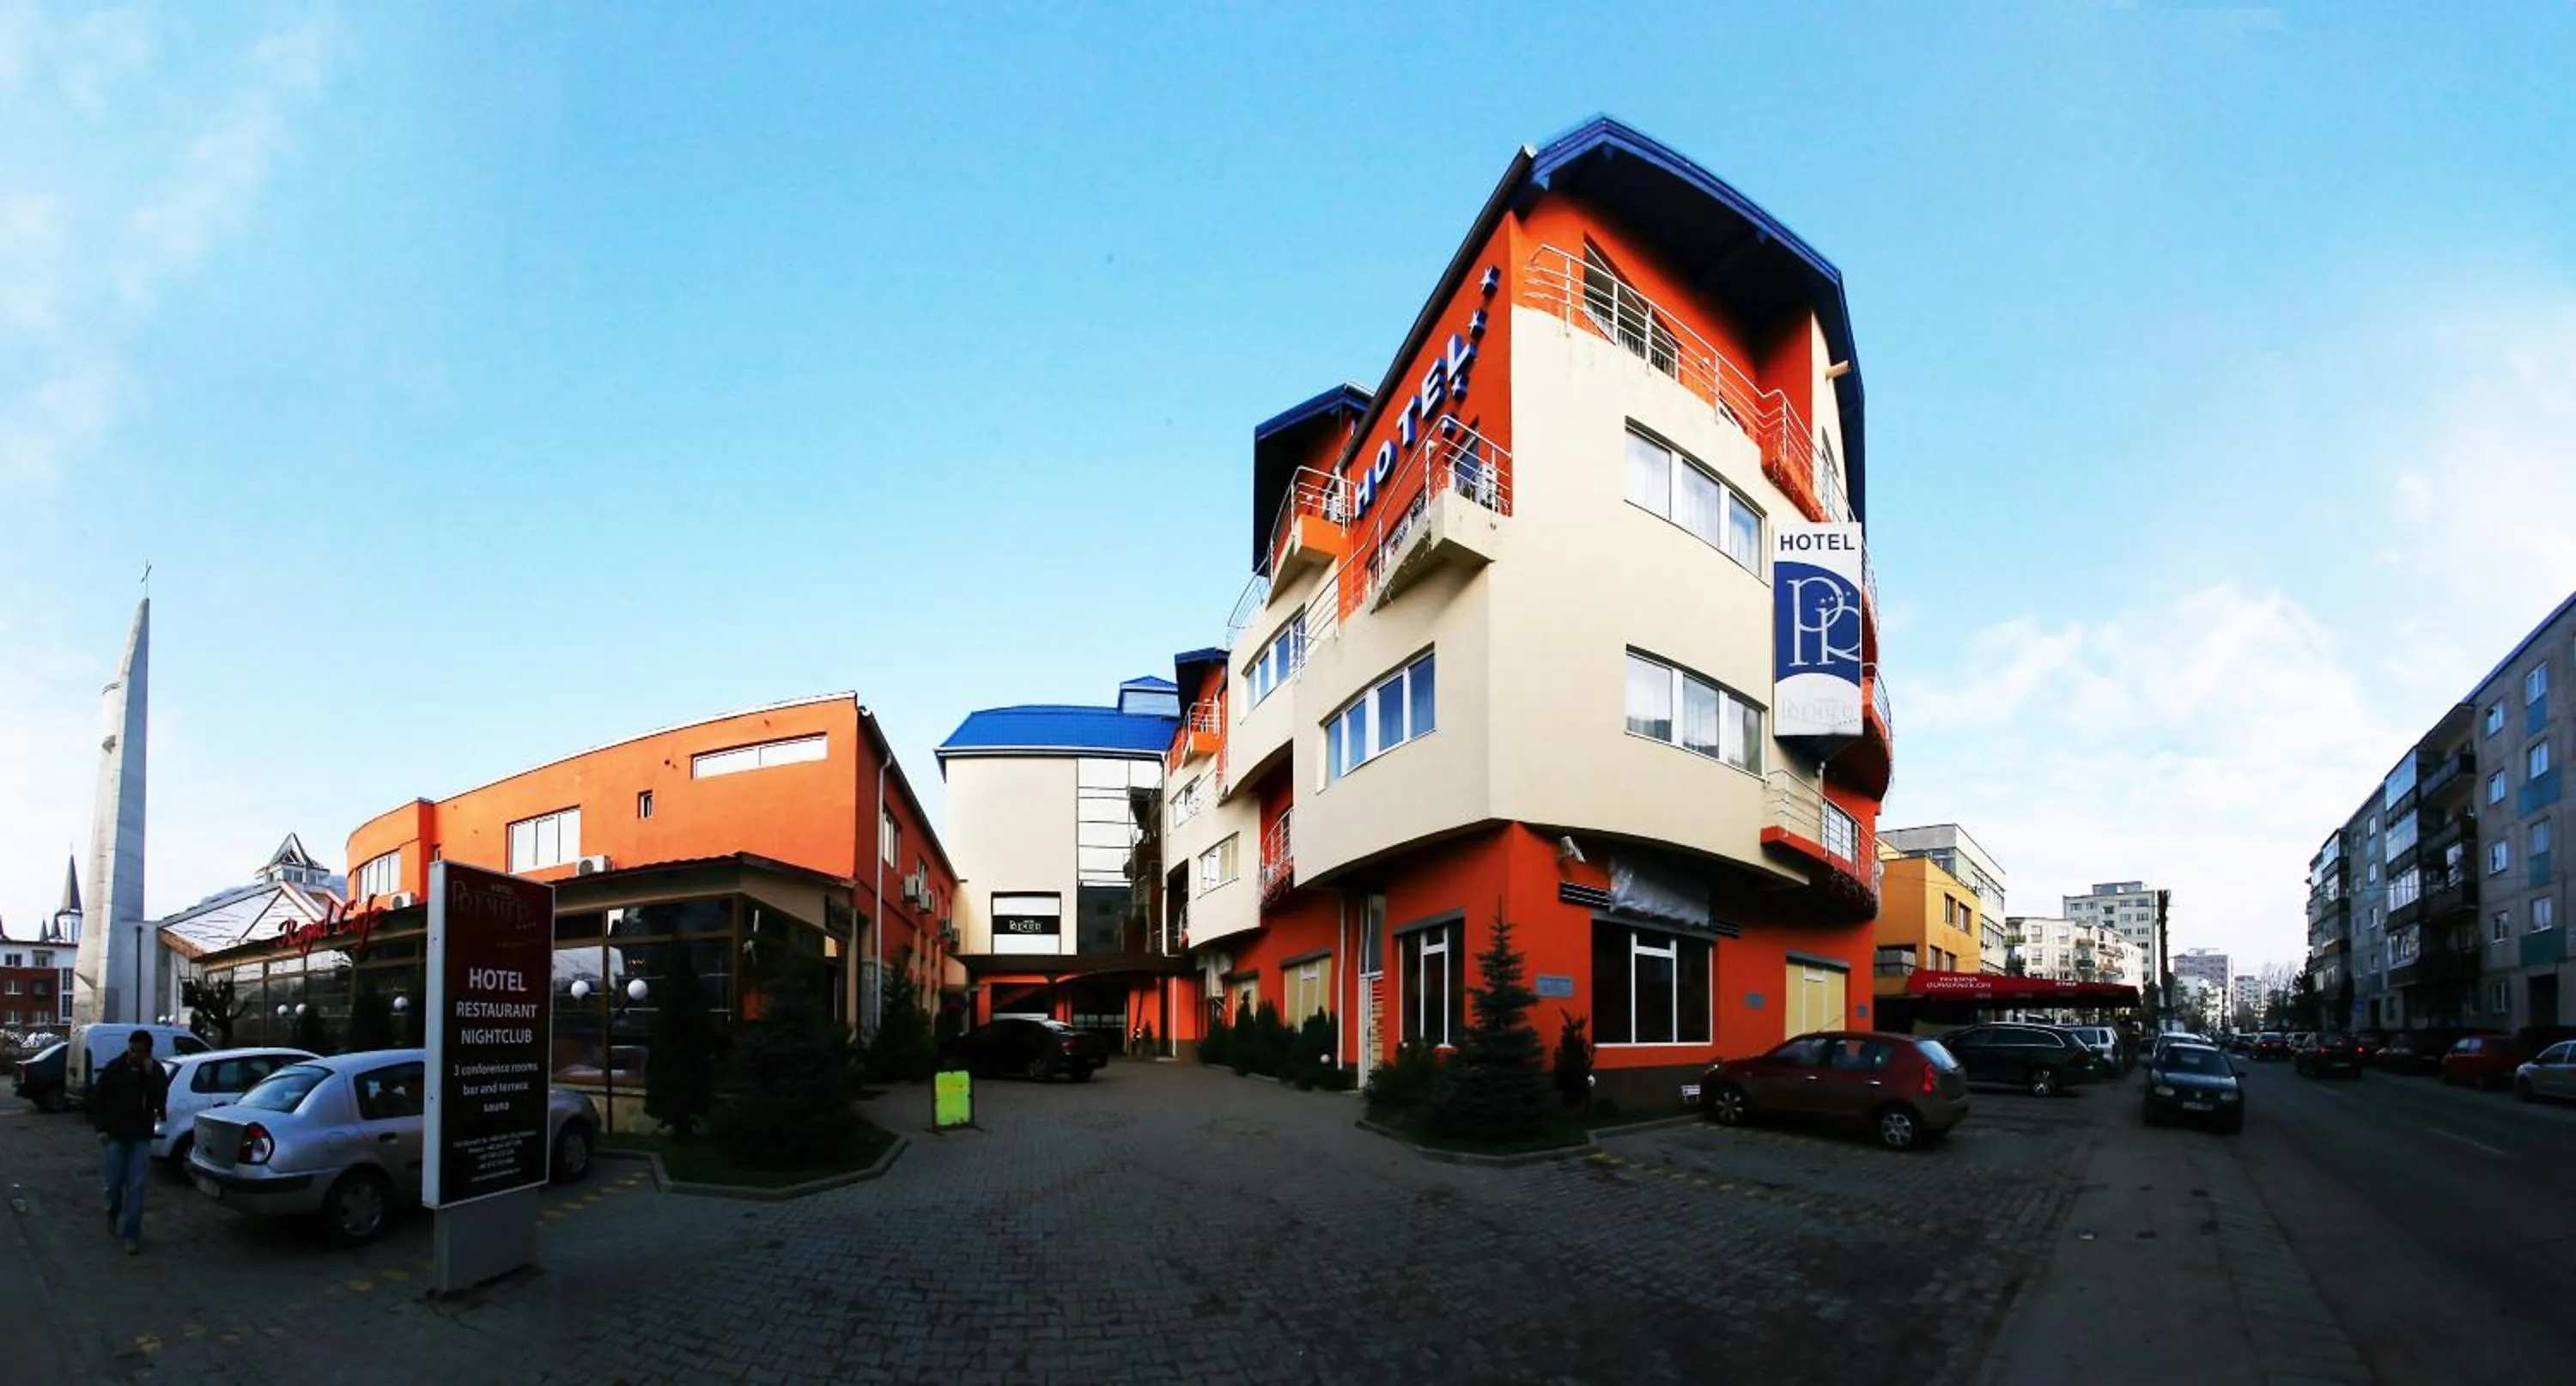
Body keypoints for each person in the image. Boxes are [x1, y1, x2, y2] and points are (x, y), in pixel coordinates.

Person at [92, 1029, 169, 1255]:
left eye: (140, 1052)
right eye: (132, 1050)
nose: (134, 1055)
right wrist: (101, 1129)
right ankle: (112, 1212)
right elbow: (98, 1099)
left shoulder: (155, 1071)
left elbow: (159, 1101)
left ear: (148, 1053)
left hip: (140, 1138)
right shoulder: (115, 1068)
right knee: (113, 1185)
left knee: (136, 1188)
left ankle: (131, 1235)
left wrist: (148, 1076)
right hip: (115, 1135)